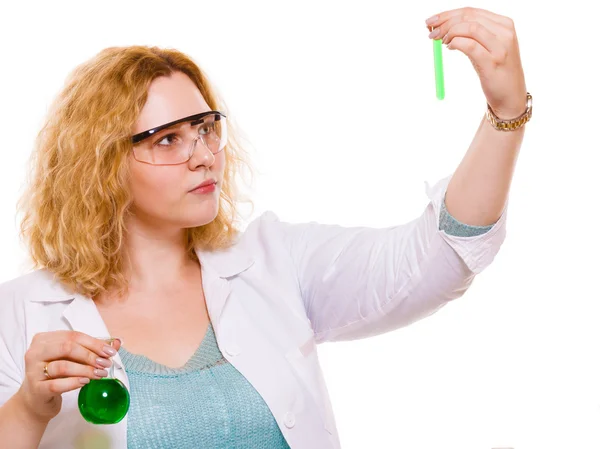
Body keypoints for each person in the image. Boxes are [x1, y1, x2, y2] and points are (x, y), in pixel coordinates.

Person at [0, 7, 531, 449]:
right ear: (100, 165)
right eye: (168, 139)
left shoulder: (275, 263)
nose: (204, 156)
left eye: (206, 130)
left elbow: (436, 257)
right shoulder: (21, 314)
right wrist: (28, 409)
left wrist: (505, 114)